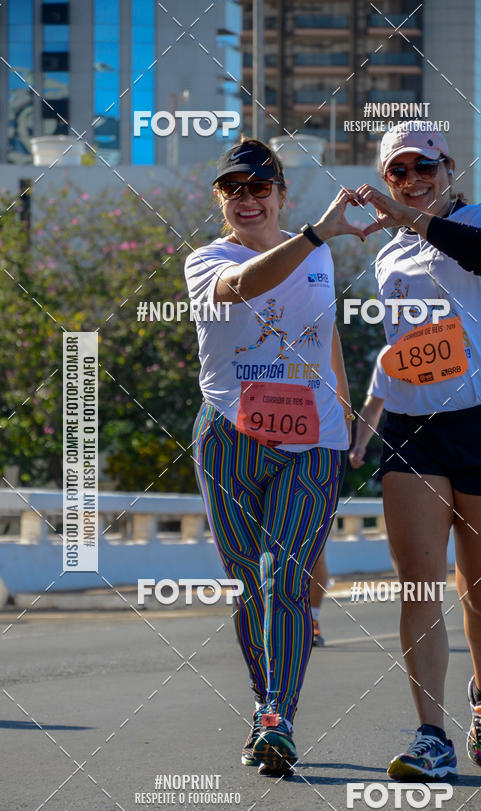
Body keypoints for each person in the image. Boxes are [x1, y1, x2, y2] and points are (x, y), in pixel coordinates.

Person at [353, 121, 481, 780]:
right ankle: (432, 735)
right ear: (385, 178)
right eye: (397, 171)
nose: (412, 179)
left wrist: (407, 217)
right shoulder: (387, 257)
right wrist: (370, 413)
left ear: (448, 167)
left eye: (423, 166)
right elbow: (401, 348)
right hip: (411, 428)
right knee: (420, 584)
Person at [185, 138, 361, 776]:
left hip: (311, 441)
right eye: (234, 189)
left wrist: (351, 417)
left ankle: (276, 718)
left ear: (282, 196)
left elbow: (326, 337)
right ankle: (267, 703)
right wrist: (318, 234)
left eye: (261, 188)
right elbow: (237, 288)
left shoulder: (319, 260)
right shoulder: (209, 259)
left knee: (283, 578)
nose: (247, 199)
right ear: (221, 202)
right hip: (229, 438)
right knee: (248, 584)